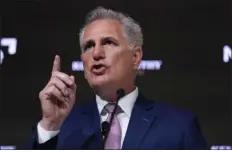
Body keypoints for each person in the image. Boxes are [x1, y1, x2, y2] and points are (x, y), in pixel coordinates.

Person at [26, 6, 208, 150]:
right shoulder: (61, 126)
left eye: (108, 42)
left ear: (135, 57)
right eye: (88, 46)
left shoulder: (179, 127)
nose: (96, 53)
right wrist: (50, 125)